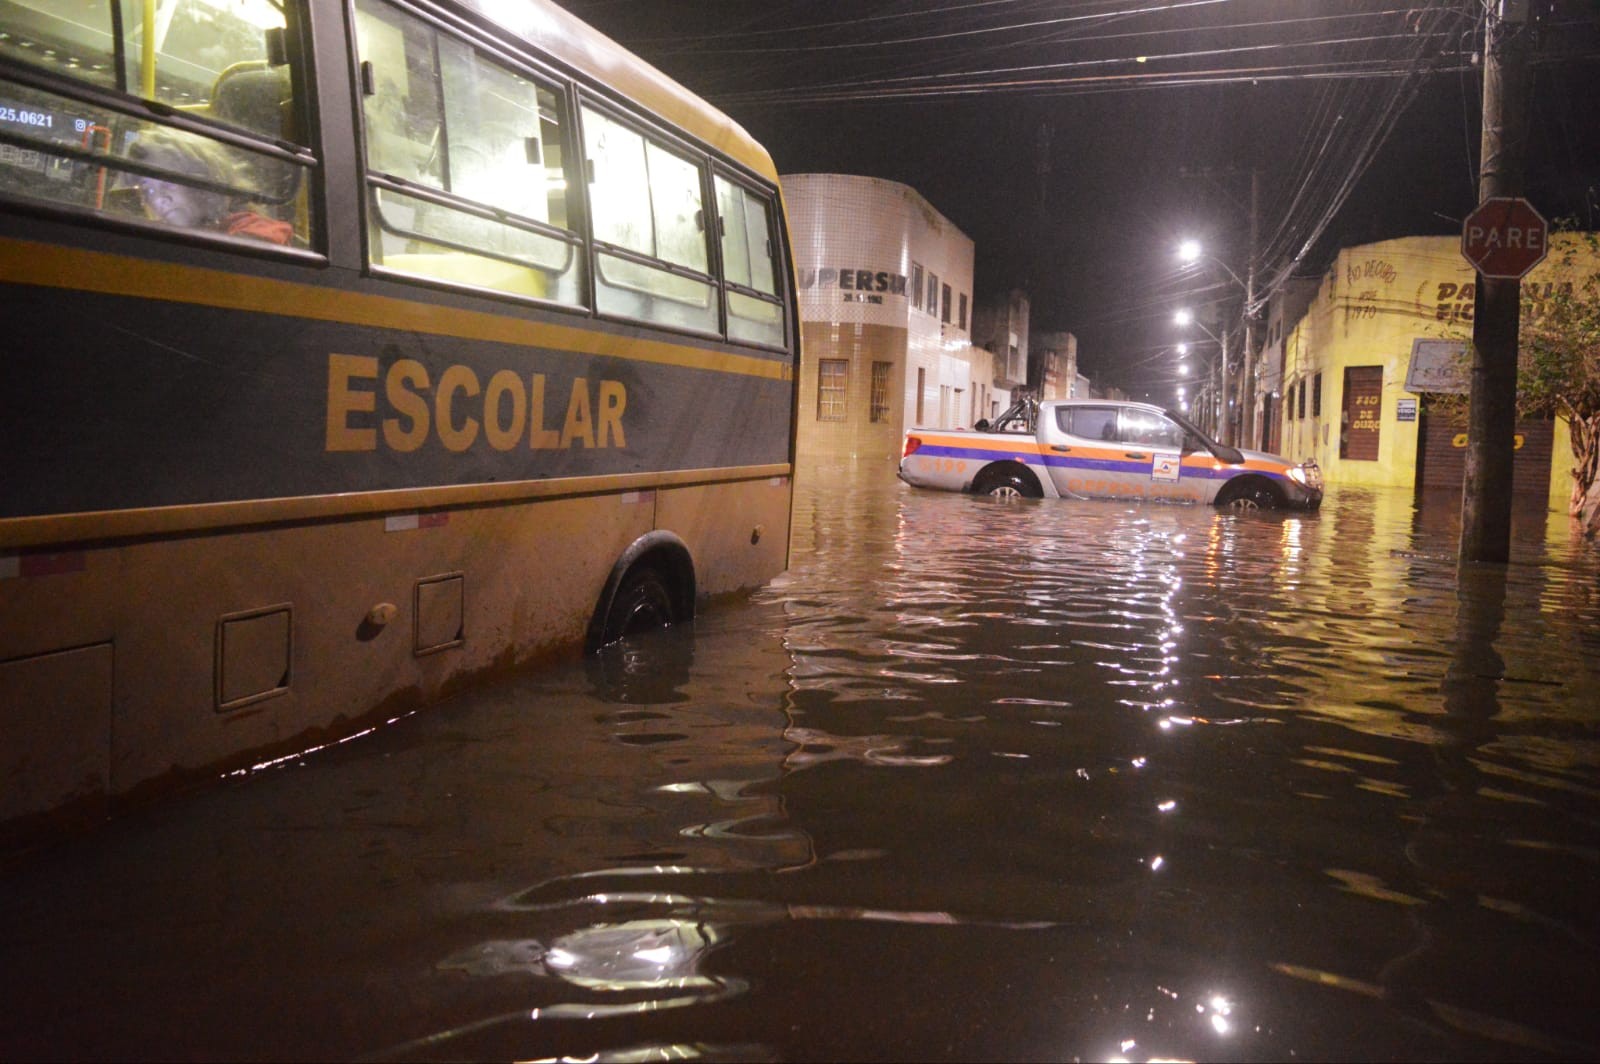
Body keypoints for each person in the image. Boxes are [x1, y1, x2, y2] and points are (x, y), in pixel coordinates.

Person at [125, 127, 293, 246]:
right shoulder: (162, 233)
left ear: (204, 181)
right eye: (148, 189)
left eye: (168, 183)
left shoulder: (254, 229)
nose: (159, 198)